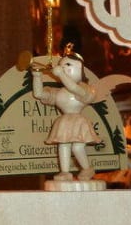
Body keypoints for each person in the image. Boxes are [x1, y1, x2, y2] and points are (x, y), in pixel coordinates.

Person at [31, 48, 99, 182]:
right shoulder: (59, 92)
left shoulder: (84, 88)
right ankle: (65, 172)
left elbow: (74, 88)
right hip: (65, 121)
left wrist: (61, 74)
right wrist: (37, 76)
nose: (63, 68)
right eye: (61, 65)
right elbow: (39, 94)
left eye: (68, 65)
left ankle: (87, 168)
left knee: (77, 147)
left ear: (80, 68)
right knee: (63, 145)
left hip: (78, 121)